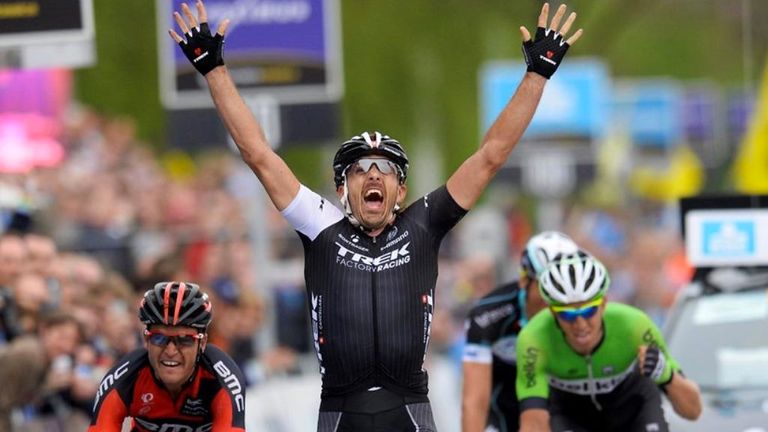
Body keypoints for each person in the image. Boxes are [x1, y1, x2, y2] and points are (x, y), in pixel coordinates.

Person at [169, 1, 582, 429]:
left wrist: (538, 75)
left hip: (409, 409)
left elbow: (490, 156)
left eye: (385, 169)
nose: (373, 176)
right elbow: (258, 154)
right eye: (359, 170)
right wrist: (214, 70)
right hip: (340, 411)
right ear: (341, 189)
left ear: (400, 189)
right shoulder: (320, 224)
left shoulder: (423, 224)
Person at [516, 251, 702, 432]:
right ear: (552, 311)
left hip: (632, 410)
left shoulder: (634, 325)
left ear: (604, 303)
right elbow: (533, 423)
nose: (580, 324)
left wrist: (667, 375)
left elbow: (693, 411)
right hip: (571, 415)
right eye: (567, 314)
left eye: (588, 311)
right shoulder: (534, 338)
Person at [88, 282, 246, 432]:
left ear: (202, 343)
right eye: (159, 338)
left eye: (184, 339)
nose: (171, 350)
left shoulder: (220, 377)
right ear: (146, 340)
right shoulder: (128, 375)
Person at [462, 231, 578, 432]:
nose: (556, 298)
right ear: (525, 280)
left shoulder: (580, 315)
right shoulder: (488, 315)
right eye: (547, 287)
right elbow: (474, 402)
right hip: (502, 418)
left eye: (564, 288)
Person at [0, 311, 83, 431]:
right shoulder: (28, 354)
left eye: (72, 341)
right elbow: (4, 402)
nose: (66, 346)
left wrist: (49, 386)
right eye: (61, 337)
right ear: (44, 330)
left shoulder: (45, 359)